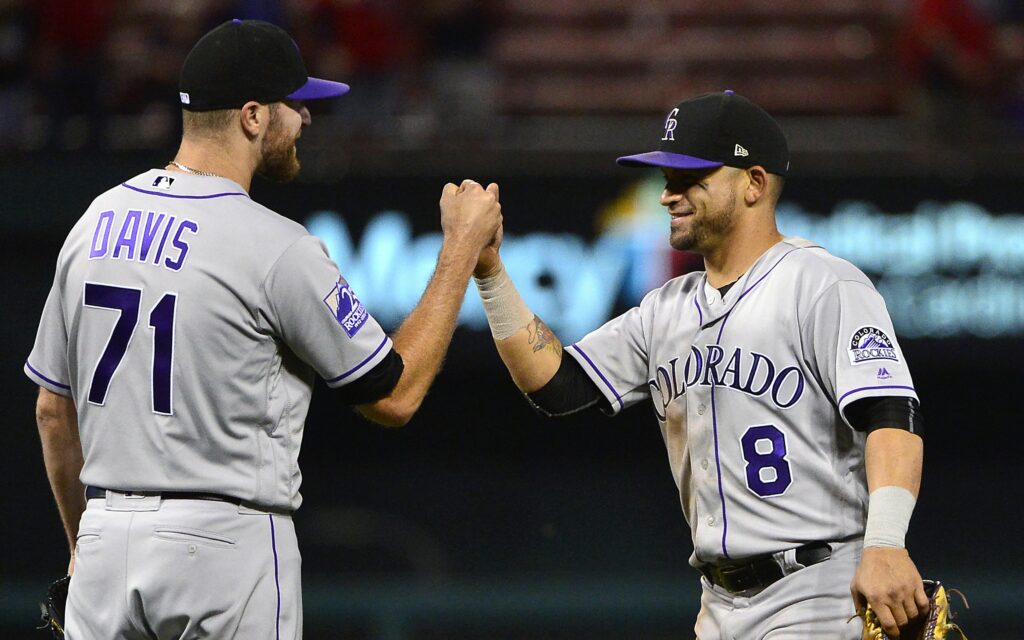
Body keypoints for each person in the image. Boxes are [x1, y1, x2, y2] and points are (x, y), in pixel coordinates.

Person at [25, 19, 500, 639]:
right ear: (253, 117)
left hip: (105, 539)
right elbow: (394, 393)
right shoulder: (275, 246)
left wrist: (83, 546)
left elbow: (52, 413)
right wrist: (461, 249)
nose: (305, 119)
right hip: (223, 547)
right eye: (294, 105)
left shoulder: (95, 220)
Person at [472, 91, 928, 639]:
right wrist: (489, 272)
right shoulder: (665, 308)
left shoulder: (823, 284)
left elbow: (892, 416)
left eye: (690, 178)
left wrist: (885, 544)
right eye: (667, 178)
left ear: (754, 183)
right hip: (717, 603)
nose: (667, 195)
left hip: (819, 591)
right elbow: (557, 386)